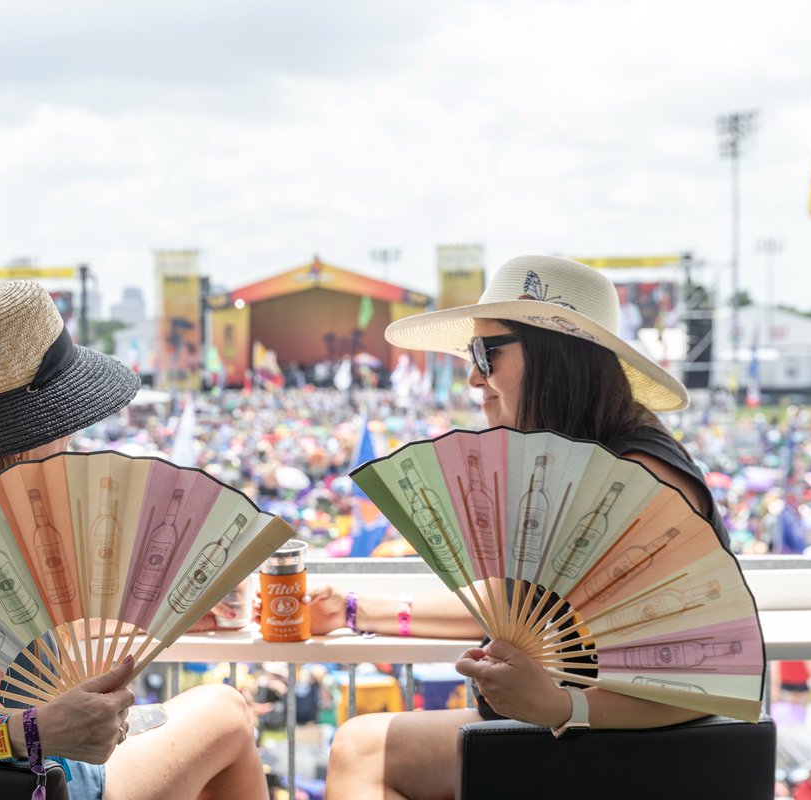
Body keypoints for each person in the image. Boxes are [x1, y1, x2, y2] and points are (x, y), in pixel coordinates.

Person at [314, 255, 736, 800]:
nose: (472, 377)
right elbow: (516, 603)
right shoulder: (584, 465)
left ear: (552, 356)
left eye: (485, 354)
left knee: (364, 750)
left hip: (627, 753)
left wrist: (561, 705)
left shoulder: (640, 478)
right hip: (582, 740)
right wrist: (349, 609)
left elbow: (702, 677)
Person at [0, 281, 266, 800]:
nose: (69, 438)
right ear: (18, 430)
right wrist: (37, 730)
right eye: (61, 421)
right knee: (228, 713)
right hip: (29, 780)